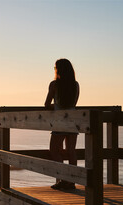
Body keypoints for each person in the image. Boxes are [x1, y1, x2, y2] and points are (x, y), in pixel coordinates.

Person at [44, 58, 80, 190]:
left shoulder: (54, 85)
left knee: (54, 150)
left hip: (60, 122)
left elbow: (46, 104)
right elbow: (73, 104)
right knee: (71, 152)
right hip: (73, 121)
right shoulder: (75, 85)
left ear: (59, 70)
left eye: (55, 68)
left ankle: (63, 179)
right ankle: (72, 182)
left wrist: (55, 105)